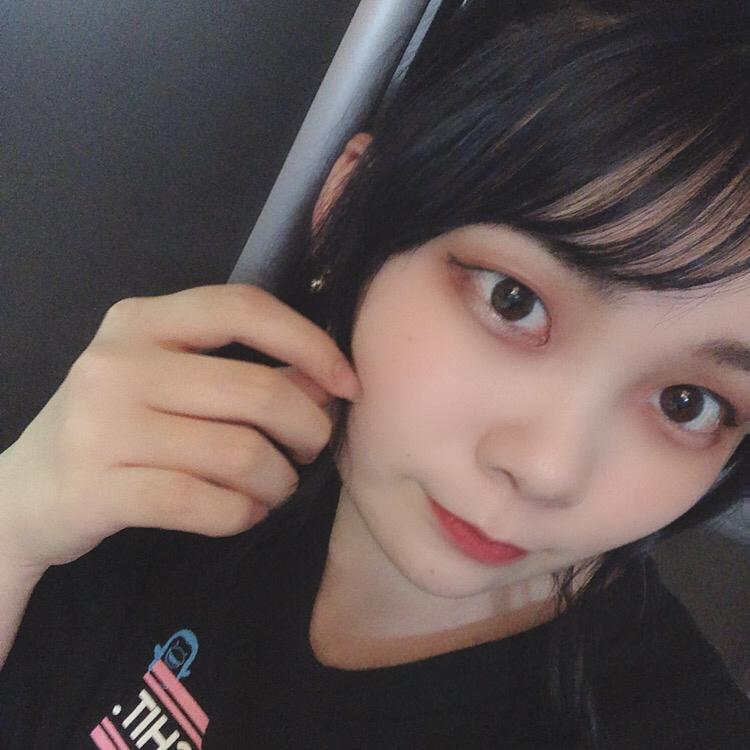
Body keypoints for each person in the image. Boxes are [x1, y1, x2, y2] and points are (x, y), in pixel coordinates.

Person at [1, 1, 750, 747]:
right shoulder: (163, 446)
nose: (547, 470)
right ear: (345, 208)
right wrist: (13, 526)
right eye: (513, 300)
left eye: (688, 404)